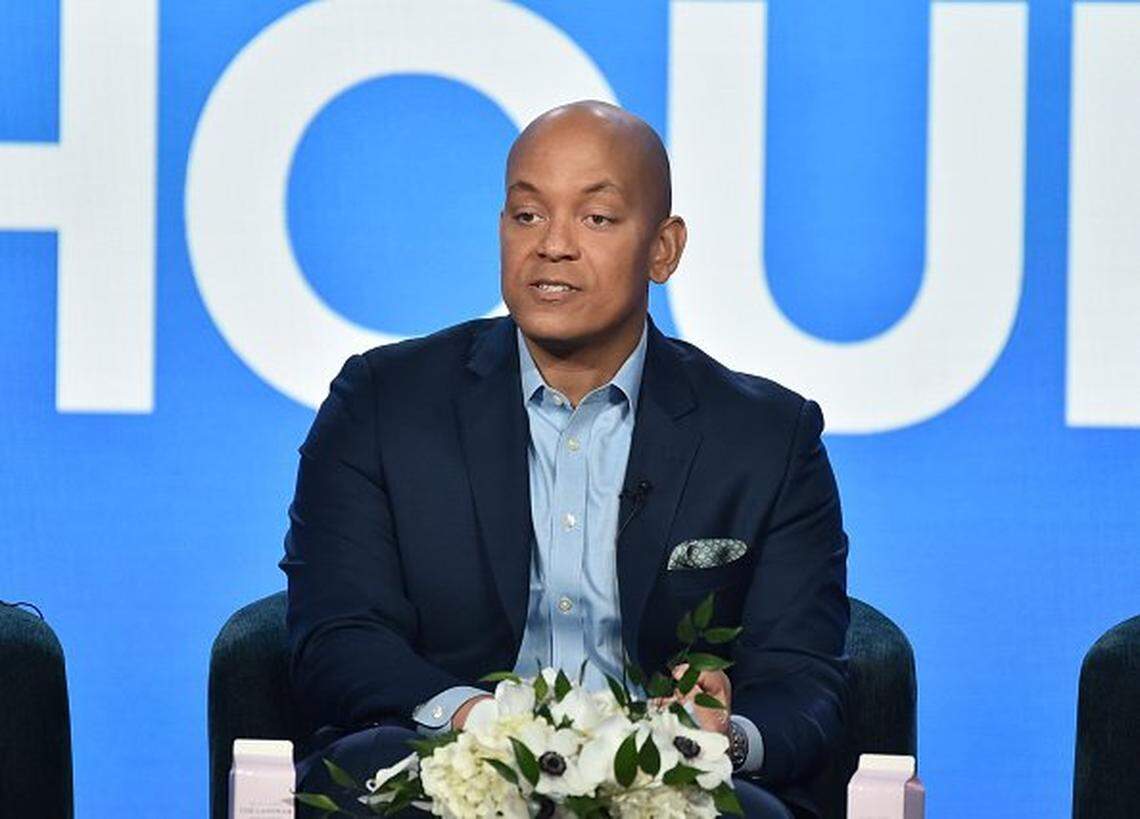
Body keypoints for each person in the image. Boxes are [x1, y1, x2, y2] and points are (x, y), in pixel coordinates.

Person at [281, 101, 849, 819]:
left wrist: (719, 739)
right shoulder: (382, 402)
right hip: (437, 769)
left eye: (597, 218)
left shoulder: (767, 437)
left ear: (663, 249)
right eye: (526, 215)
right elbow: (336, 637)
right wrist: (479, 723)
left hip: (671, 786)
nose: (552, 245)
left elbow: (805, 678)